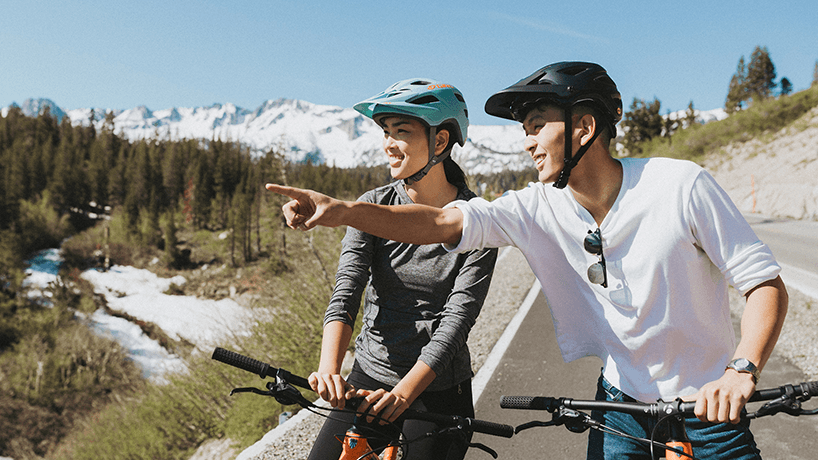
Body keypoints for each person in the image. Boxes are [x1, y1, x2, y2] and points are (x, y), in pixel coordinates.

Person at [268, 62, 788, 459]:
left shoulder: (681, 184)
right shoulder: (535, 206)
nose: (527, 143)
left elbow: (763, 283)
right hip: (620, 406)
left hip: (711, 407)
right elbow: (442, 223)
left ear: (584, 126)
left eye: (537, 125)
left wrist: (741, 370)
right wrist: (343, 213)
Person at [304, 78, 498, 460]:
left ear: (440, 142)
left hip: (438, 389)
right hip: (369, 373)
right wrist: (330, 369)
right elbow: (347, 289)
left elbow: (456, 322)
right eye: (386, 132)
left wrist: (404, 394)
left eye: (402, 132)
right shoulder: (373, 205)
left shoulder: (479, 222)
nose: (388, 144)